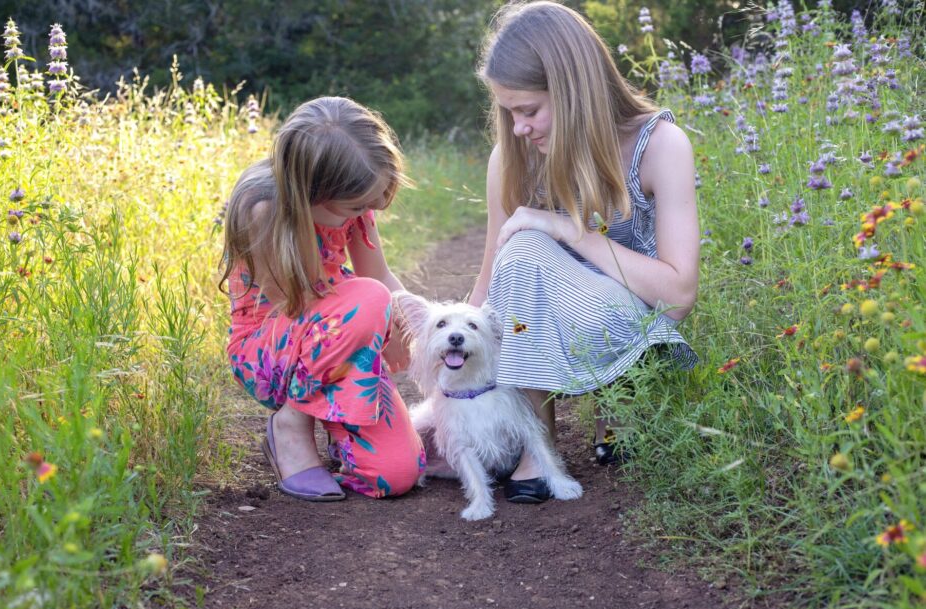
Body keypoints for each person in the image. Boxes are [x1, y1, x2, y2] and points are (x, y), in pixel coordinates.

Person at [469, 1, 700, 503]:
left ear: (574, 91)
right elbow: (492, 277)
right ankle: (538, 441)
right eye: (509, 112)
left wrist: (568, 229)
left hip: (631, 326)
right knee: (522, 248)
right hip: (541, 326)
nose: (518, 129)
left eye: (528, 110)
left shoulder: (661, 145)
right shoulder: (516, 155)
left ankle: (618, 411)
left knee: (533, 239)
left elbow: (678, 296)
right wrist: (455, 364)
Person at [220, 96, 425, 502]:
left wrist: (408, 323)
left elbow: (379, 274)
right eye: (357, 206)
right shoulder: (262, 209)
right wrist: (376, 316)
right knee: (367, 299)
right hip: (272, 350)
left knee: (396, 474)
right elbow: (294, 303)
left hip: (341, 339)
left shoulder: (352, 203)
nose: (365, 212)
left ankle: (339, 429)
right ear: (311, 191)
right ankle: (292, 424)